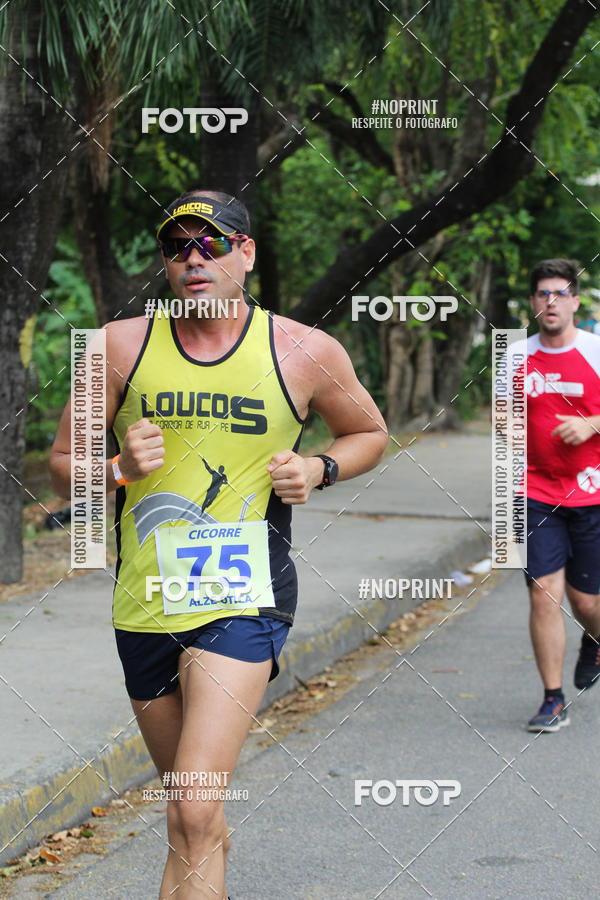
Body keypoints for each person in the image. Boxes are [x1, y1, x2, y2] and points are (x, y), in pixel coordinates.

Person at [49, 189, 388, 898]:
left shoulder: (303, 350)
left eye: (211, 243)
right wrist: (116, 468)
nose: (193, 259)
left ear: (247, 252)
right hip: (145, 599)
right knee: (190, 815)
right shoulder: (115, 346)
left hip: (246, 595)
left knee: (194, 808)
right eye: (178, 246)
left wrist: (318, 468)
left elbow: (368, 433)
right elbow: (62, 466)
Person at [515, 259, 600, 733]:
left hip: (592, 493)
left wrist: (591, 423)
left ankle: (595, 639)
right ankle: (552, 699)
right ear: (533, 302)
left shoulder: (595, 350)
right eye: (543, 293)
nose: (551, 301)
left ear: (575, 301)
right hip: (535, 493)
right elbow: (504, 421)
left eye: (560, 293)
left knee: (586, 602)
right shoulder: (515, 355)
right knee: (544, 595)